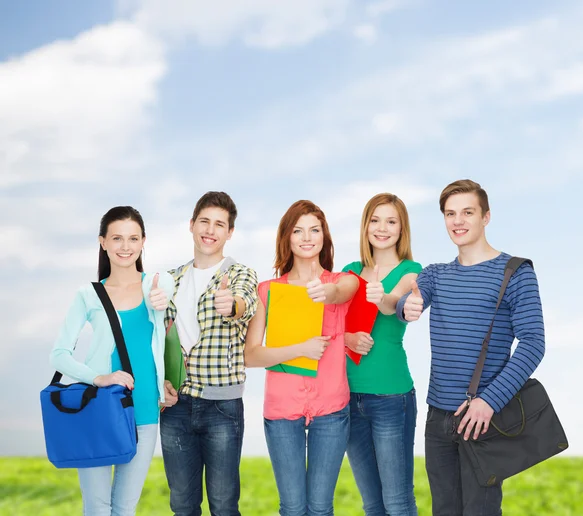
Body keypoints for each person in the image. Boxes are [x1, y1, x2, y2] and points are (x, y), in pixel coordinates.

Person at [396, 180, 545, 516]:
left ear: (485, 217)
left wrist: (489, 402)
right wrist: (406, 306)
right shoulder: (437, 274)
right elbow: (409, 300)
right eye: (450, 214)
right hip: (438, 420)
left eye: (467, 212)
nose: (458, 221)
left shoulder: (516, 272)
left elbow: (533, 343)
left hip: (484, 419)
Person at [50, 206, 175, 516]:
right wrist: (99, 378)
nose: (125, 247)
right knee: (97, 507)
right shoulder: (88, 295)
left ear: (144, 241)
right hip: (99, 409)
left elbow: (167, 309)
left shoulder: (157, 285)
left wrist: (165, 383)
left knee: (124, 509)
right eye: (117, 238)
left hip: (145, 411)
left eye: (133, 238)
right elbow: (59, 355)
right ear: (102, 242)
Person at [244, 200, 359, 516]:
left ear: (324, 236)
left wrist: (328, 293)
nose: (307, 237)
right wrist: (301, 349)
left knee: (321, 507)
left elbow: (347, 289)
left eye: (314, 229)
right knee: (293, 508)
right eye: (298, 230)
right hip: (282, 409)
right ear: (287, 237)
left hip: (332, 407)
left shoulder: (341, 282)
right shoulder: (267, 291)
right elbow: (251, 355)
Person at [160, 191, 259, 516]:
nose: (210, 230)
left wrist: (232, 304)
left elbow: (245, 303)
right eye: (205, 221)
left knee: (224, 505)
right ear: (191, 225)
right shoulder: (170, 280)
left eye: (220, 224)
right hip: (176, 408)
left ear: (229, 232)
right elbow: (157, 339)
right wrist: (161, 382)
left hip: (222, 407)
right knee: (183, 505)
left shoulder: (239, 274)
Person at [342, 193, 422, 516]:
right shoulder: (349, 271)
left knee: (398, 503)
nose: (382, 228)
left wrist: (381, 297)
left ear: (402, 229)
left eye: (391, 221)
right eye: (375, 220)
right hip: (349, 397)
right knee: (372, 505)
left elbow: (395, 305)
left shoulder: (412, 271)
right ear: (365, 226)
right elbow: (330, 327)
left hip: (392, 397)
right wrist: (348, 338)